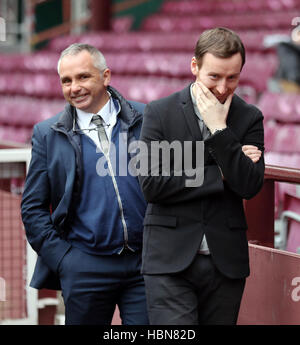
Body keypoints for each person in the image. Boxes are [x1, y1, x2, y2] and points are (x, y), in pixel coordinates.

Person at [138, 27, 265, 325]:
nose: (222, 87)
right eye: (214, 76)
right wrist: (221, 171)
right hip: (169, 261)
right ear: (194, 66)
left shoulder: (249, 117)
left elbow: (249, 184)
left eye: (232, 78)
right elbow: (152, 183)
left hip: (226, 263)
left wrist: (219, 130)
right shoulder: (159, 112)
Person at [21, 43, 149, 325]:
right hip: (85, 266)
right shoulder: (47, 134)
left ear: (105, 76)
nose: (74, 87)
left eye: (82, 77)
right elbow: (32, 209)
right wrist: (66, 260)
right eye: (66, 81)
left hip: (145, 264)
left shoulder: (147, 118)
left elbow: (177, 174)